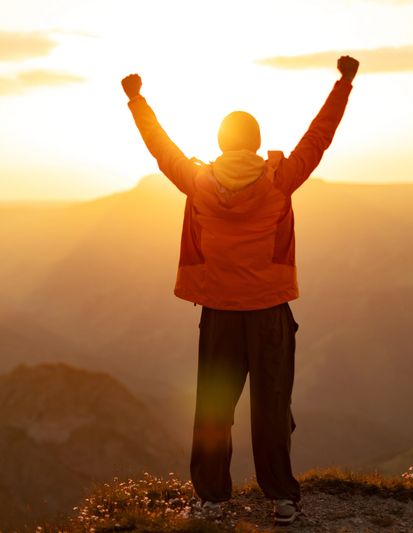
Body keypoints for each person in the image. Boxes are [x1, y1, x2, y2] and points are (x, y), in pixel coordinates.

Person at [122, 54, 358, 525]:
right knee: (271, 405)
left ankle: (212, 497)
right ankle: (282, 499)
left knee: (214, 405)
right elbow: (319, 137)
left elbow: (160, 147)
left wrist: (136, 100)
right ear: (257, 144)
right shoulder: (279, 181)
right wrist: (343, 84)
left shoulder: (198, 182)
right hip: (269, 310)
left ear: (219, 143)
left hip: (218, 311)